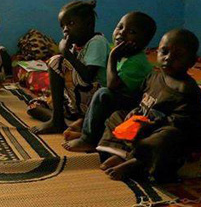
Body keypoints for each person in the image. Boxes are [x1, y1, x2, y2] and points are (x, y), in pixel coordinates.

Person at [96, 29, 201, 182]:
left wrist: (152, 124)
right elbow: (141, 99)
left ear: (192, 62)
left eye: (178, 56)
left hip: (175, 130)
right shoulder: (153, 76)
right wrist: (135, 111)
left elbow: (184, 121)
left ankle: (137, 163)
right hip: (147, 124)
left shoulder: (186, 89)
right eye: (164, 52)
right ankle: (120, 154)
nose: (168, 58)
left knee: (165, 138)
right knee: (117, 116)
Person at [63, 11, 156, 152]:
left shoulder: (137, 62)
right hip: (122, 99)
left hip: (135, 106)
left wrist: (112, 57)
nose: (121, 33)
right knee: (97, 90)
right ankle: (88, 128)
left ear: (145, 42)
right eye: (120, 27)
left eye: (131, 32)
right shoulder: (121, 54)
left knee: (103, 94)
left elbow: (112, 86)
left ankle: (88, 139)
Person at [31, 0, 110, 134]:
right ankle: (65, 121)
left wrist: (66, 53)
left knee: (56, 61)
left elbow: (88, 77)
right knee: (34, 106)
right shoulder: (75, 45)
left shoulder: (97, 42)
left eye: (71, 23)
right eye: (63, 26)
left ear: (89, 24)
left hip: (96, 101)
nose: (65, 29)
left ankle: (59, 121)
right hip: (77, 102)